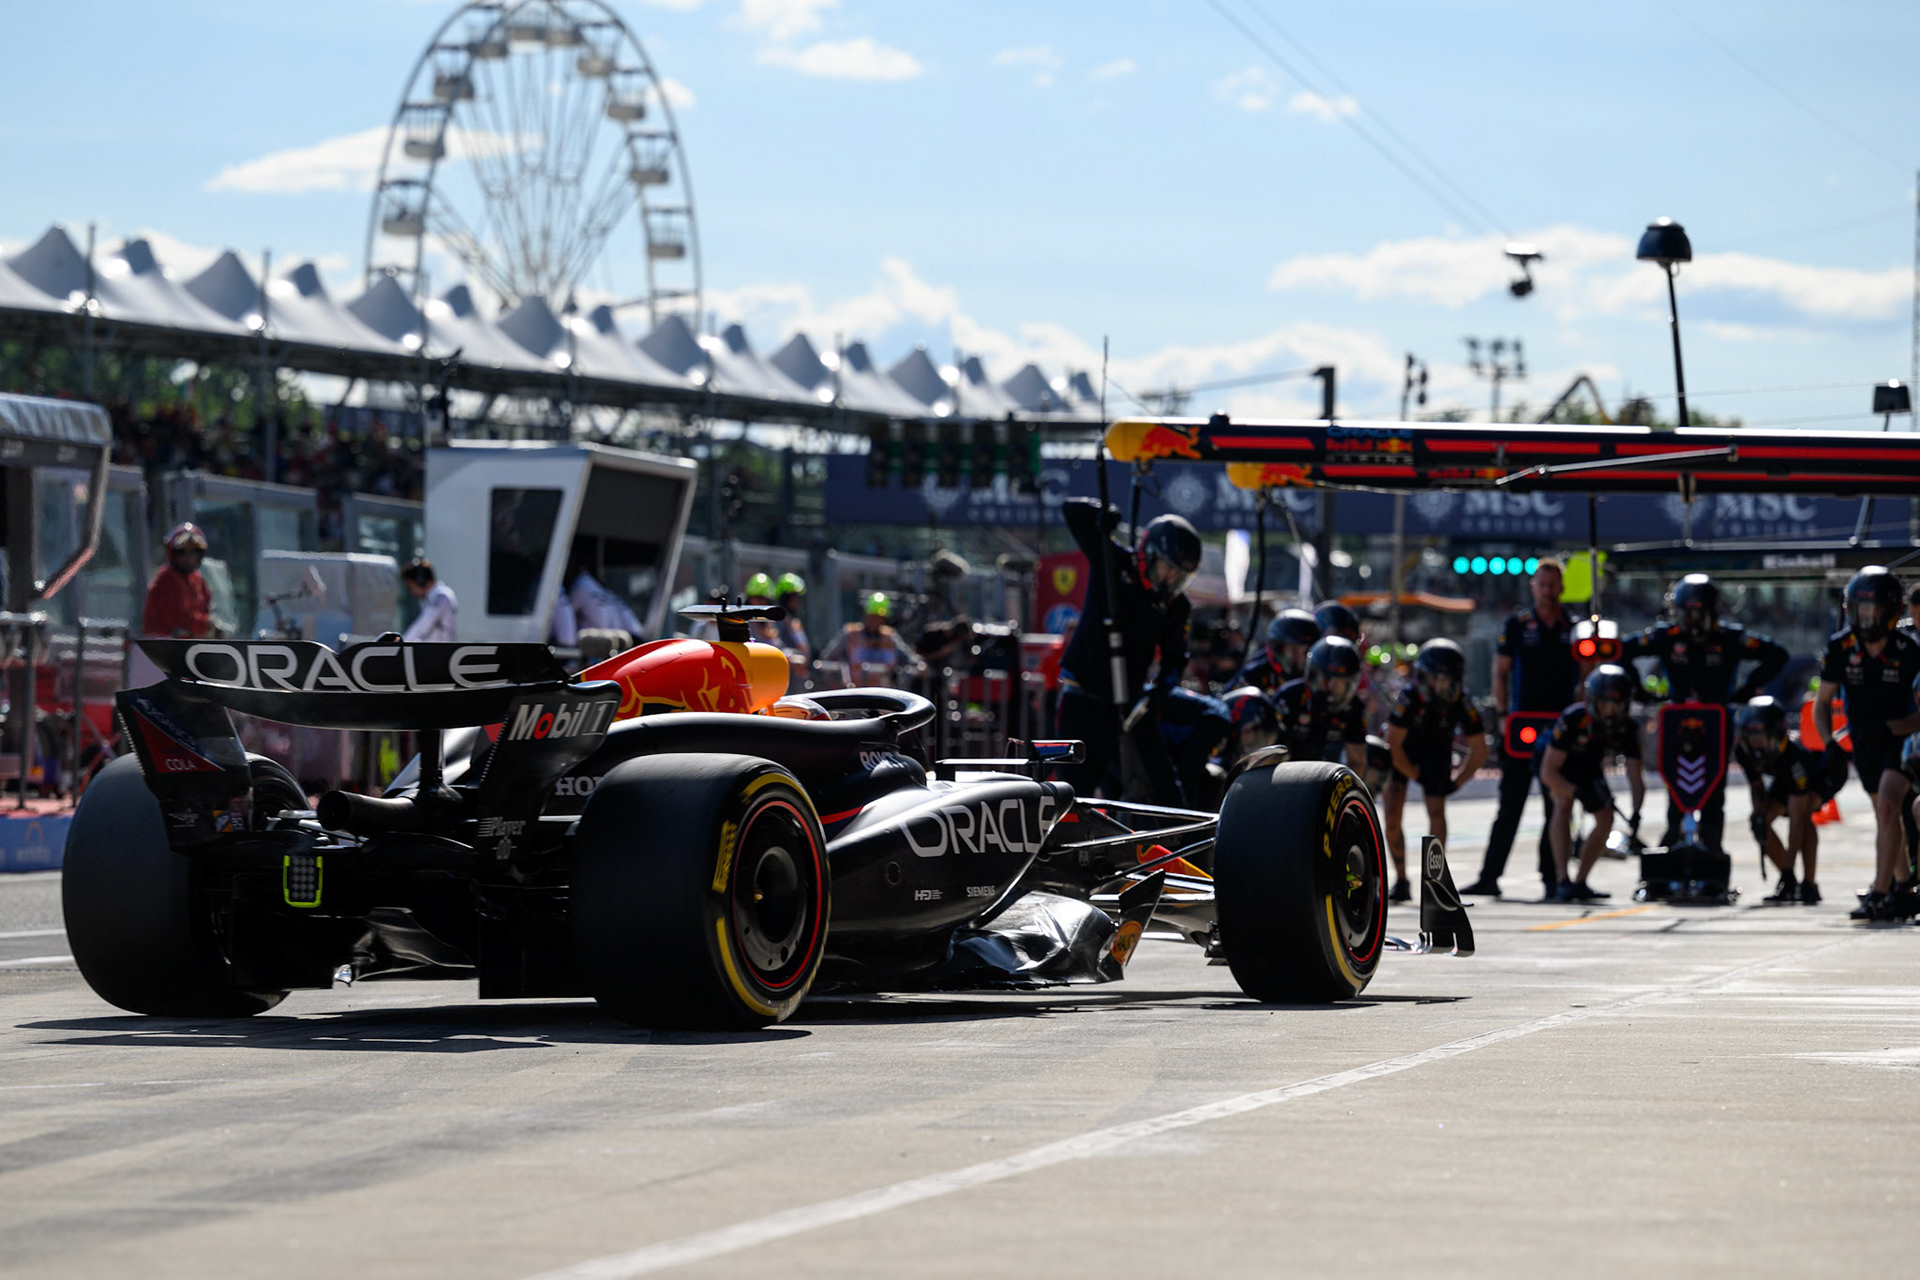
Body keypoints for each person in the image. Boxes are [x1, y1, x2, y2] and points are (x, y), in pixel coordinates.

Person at [1054, 499, 1213, 807]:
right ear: (1149, 555)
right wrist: (1103, 515)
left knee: (1164, 786)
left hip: (1131, 704)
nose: (1171, 582)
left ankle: (1178, 832)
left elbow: (1174, 658)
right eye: (1168, 570)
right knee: (1075, 790)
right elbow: (1071, 512)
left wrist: (1160, 691)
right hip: (1083, 697)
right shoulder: (1113, 561)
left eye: (1180, 577)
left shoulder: (1176, 606)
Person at [1621, 573, 1787, 858]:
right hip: (1677, 722)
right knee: (1675, 783)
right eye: (1687, 614)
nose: (1693, 622)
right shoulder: (1666, 636)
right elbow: (1622, 650)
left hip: (1716, 722)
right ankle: (1673, 838)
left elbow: (1777, 655)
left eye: (1698, 614)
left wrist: (1747, 690)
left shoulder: (1730, 637)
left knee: (1714, 786)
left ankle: (1711, 844)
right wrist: (1640, 691)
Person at [1463, 558, 1579, 898]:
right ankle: (1489, 876)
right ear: (1533, 587)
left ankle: (1553, 878)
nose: (1547, 590)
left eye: (1552, 584)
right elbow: (1499, 672)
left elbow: (1586, 675)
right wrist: (1502, 715)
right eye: (1542, 584)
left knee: (1556, 804)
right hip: (1521, 726)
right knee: (1510, 805)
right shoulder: (1516, 625)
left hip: (1559, 728)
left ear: (1561, 588)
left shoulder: (1573, 627)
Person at [1815, 567, 1920, 921]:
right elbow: (1822, 702)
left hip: (1903, 741)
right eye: (1859, 610)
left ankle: (1880, 892)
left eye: (1872, 610)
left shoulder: (1909, 650)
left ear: (1890, 611)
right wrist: (1829, 742)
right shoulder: (1839, 647)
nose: (1866, 618)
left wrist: (1894, 728)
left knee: (1888, 806)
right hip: (1864, 743)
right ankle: (1904, 887)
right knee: (1885, 814)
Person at [1382, 638, 1488, 902]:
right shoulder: (1409, 697)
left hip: (1437, 752)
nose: (1439, 686)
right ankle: (1401, 879)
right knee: (1392, 815)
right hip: (1403, 753)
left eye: (1446, 680)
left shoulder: (1462, 701)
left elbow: (1479, 749)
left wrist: (1457, 781)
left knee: (1436, 809)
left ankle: (1435, 879)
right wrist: (1415, 775)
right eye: (1434, 678)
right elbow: (1393, 744)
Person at [1538, 665, 1646, 902]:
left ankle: (1581, 881)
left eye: (1616, 705)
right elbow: (1548, 771)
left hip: (1589, 767)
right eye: (1605, 705)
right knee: (1563, 803)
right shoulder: (1574, 719)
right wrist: (1575, 791)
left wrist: (1637, 813)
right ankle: (1562, 879)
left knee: (1606, 817)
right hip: (1559, 766)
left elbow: (1635, 777)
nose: (1610, 712)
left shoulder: (1628, 728)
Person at [1736, 696, 1834, 905]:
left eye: (1761, 738)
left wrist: (1789, 868)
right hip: (1783, 777)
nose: (1756, 745)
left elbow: (1796, 819)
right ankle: (1790, 882)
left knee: (1804, 816)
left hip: (1821, 774)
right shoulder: (1744, 752)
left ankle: (1808, 884)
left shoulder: (1795, 756)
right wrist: (1759, 814)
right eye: (1752, 738)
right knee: (1759, 822)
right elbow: (1756, 786)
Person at [1271, 636, 1368, 772]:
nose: (1331, 687)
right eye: (1327, 679)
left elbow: (1356, 761)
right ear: (1313, 675)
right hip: (1282, 769)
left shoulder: (1354, 708)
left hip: (1323, 773)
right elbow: (1268, 751)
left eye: (1339, 683)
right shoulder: (1288, 698)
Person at [820, 592, 922, 688]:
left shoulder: (890, 638)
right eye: (872, 616)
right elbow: (827, 660)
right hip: (854, 694)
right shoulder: (850, 635)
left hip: (884, 696)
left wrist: (919, 667)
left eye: (878, 617)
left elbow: (912, 660)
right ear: (865, 615)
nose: (875, 620)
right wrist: (838, 683)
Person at [142, 522, 219, 639]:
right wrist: (206, 626)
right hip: (163, 645)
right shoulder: (166, 579)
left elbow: (207, 609)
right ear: (173, 553)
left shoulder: (198, 580)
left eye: (193, 552)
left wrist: (214, 626)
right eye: (182, 552)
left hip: (190, 644)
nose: (188, 557)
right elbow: (180, 617)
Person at [1237, 608, 1321, 694]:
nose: (1293, 656)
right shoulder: (1253, 675)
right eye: (1289, 650)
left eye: (1303, 651)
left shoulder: (1322, 679)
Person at [401, 558, 457, 642]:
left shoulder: (441, 597)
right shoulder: (435, 597)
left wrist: (402, 644)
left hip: (440, 649)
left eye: (411, 587)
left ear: (420, 581)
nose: (412, 592)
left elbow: (421, 628)